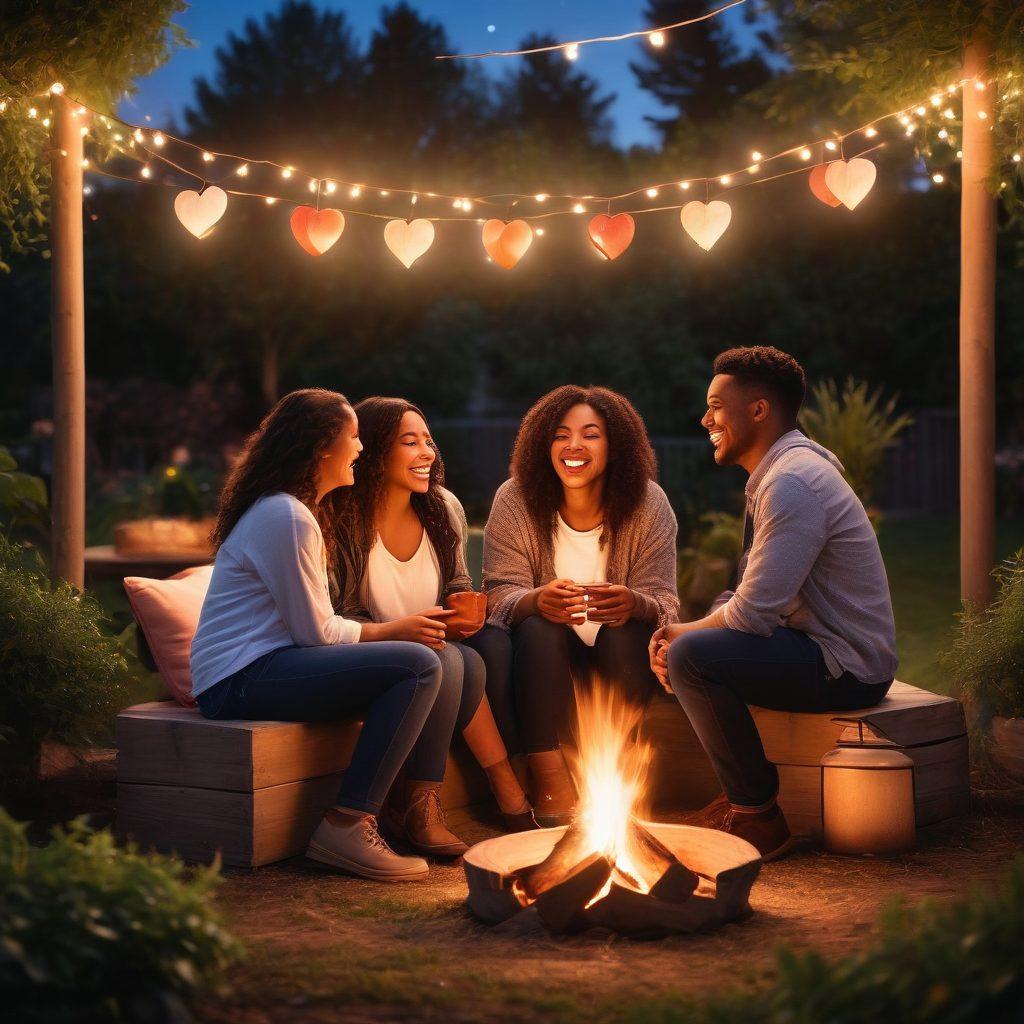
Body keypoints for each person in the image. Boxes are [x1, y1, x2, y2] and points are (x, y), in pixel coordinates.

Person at [190, 388, 465, 883]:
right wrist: (393, 630)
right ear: (322, 448)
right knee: (416, 664)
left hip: (262, 667)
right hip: (238, 680)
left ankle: (382, 813)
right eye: (353, 437)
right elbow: (315, 632)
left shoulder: (296, 512)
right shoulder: (288, 516)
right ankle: (346, 824)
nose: (360, 448)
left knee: (421, 662)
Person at [650, 346, 898, 861]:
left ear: (759, 410)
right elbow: (749, 590)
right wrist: (695, 626)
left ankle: (758, 815)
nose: (706, 419)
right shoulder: (783, 471)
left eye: (717, 405)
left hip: (845, 663)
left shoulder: (792, 483)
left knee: (692, 658)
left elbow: (752, 615)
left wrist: (683, 634)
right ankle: (743, 802)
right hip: (816, 646)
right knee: (695, 644)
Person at [327, 397, 537, 852]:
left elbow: (457, 583)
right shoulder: (343, 519)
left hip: (431, 646)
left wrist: (465, 609)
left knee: (481, 652)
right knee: (454, 663)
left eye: (428, 441)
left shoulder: (441, 507)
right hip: (370, 649)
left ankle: (428, 800)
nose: (427, 453)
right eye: (410, 441)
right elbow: (335, 613)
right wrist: (404, 630)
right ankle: (436, 800)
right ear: (376, 451)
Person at [483, 385, 679, 826]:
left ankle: (612, 770)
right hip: (543, 663)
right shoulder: (515, 499)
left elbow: (666, 604)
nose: (574, 446)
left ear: (615, 445)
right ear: (542, 444)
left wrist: (636, 602)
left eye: (591, 434)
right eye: (560, 435)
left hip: (618, 661)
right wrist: (536, 599)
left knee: (627, 632)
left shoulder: (649, 504)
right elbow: (497, 596)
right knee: (537, 625)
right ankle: (548, 773)